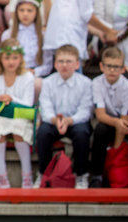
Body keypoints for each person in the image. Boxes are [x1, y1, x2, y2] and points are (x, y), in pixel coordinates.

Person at [90, 47, 128, 188]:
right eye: (109, 66)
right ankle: (97, 176)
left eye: (116, 67)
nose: (112, 70)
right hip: (108, 119)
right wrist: (116, 122)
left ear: (123, 69)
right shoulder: (96, 83)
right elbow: (100, 114)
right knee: (99, 131)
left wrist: (116, 150)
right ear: (101, 66)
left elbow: (126, 120)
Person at [35, 45, 93, 189]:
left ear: (77, 64)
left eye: (69, 61)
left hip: (75, 121)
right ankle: (44, 173)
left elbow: (86, 111)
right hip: (54, 120)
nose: (65, 65)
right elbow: (45, 108)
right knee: (43, 133)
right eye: (61, 61)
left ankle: (81, 174)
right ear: (55, 64)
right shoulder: (47, 82)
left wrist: (69, 120)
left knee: (82, 134)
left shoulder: (86, 83)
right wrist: (56, 120)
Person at [0, 38, 35, 189]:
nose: (11, 62)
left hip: (20, 115)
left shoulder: (27, 77)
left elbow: (28, 103)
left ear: (20, 58)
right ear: (0, 59)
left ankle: (27, 175)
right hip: (1, 117)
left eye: (15, 57)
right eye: (7, 57)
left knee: (18, 130)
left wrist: (11, 98)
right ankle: (2, 177)